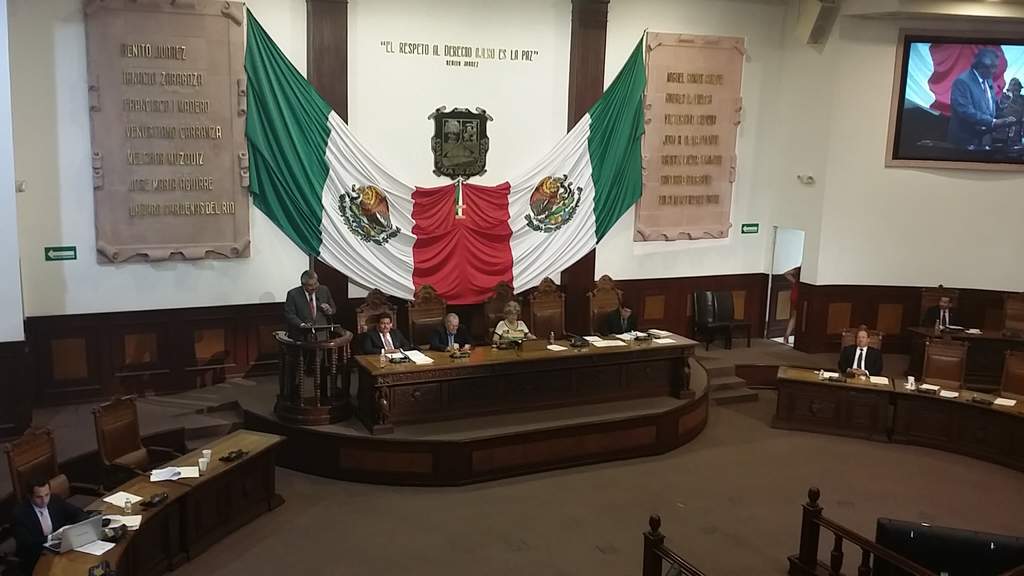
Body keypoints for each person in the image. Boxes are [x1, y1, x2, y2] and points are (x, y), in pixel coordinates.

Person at [13, 478, 86, 574]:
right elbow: (27, 543)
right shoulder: (19, 514)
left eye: (47, 495)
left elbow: (78, 513)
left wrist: (72, 529)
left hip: (60, 550)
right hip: (35, 556)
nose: (44, 501)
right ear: (29, 496)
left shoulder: (55, 500)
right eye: (38, 497)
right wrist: (52, 537)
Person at [948, 49, 1016, 148]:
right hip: (965, 141)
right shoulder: (962, 82)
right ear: (981, 66)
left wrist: (1001, 103)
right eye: (993, 67)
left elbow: (987, 108)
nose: (995, 71)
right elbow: (965, 111)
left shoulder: (988, 79)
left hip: (983, 139)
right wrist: (993, 122)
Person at [284, 270, 336, 340]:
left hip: (321, 335)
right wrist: (302, 325)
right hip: (302, 336)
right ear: (303, 285)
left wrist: (329, 310)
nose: (314, 287)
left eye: (316, 283)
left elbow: (333, 309)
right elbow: (289, 314)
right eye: (310, 285)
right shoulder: (293, 294)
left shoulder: (324, 290)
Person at [995, 78, 1024, 147]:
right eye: (1014, 87)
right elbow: (997, 111)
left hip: (1016, 134)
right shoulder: (1003, 97)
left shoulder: (1022, 100)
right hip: (1000, 132)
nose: (1016, 90)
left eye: (1018, 88)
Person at [784, 267, 800, 345]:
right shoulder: (806, 272)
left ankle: (786, 336)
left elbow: (786, 273)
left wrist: (794, 281)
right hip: (799, 295)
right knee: (796, 317)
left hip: (794, 294)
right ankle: (787, 336)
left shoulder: (798, 271)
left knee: (794, 317)